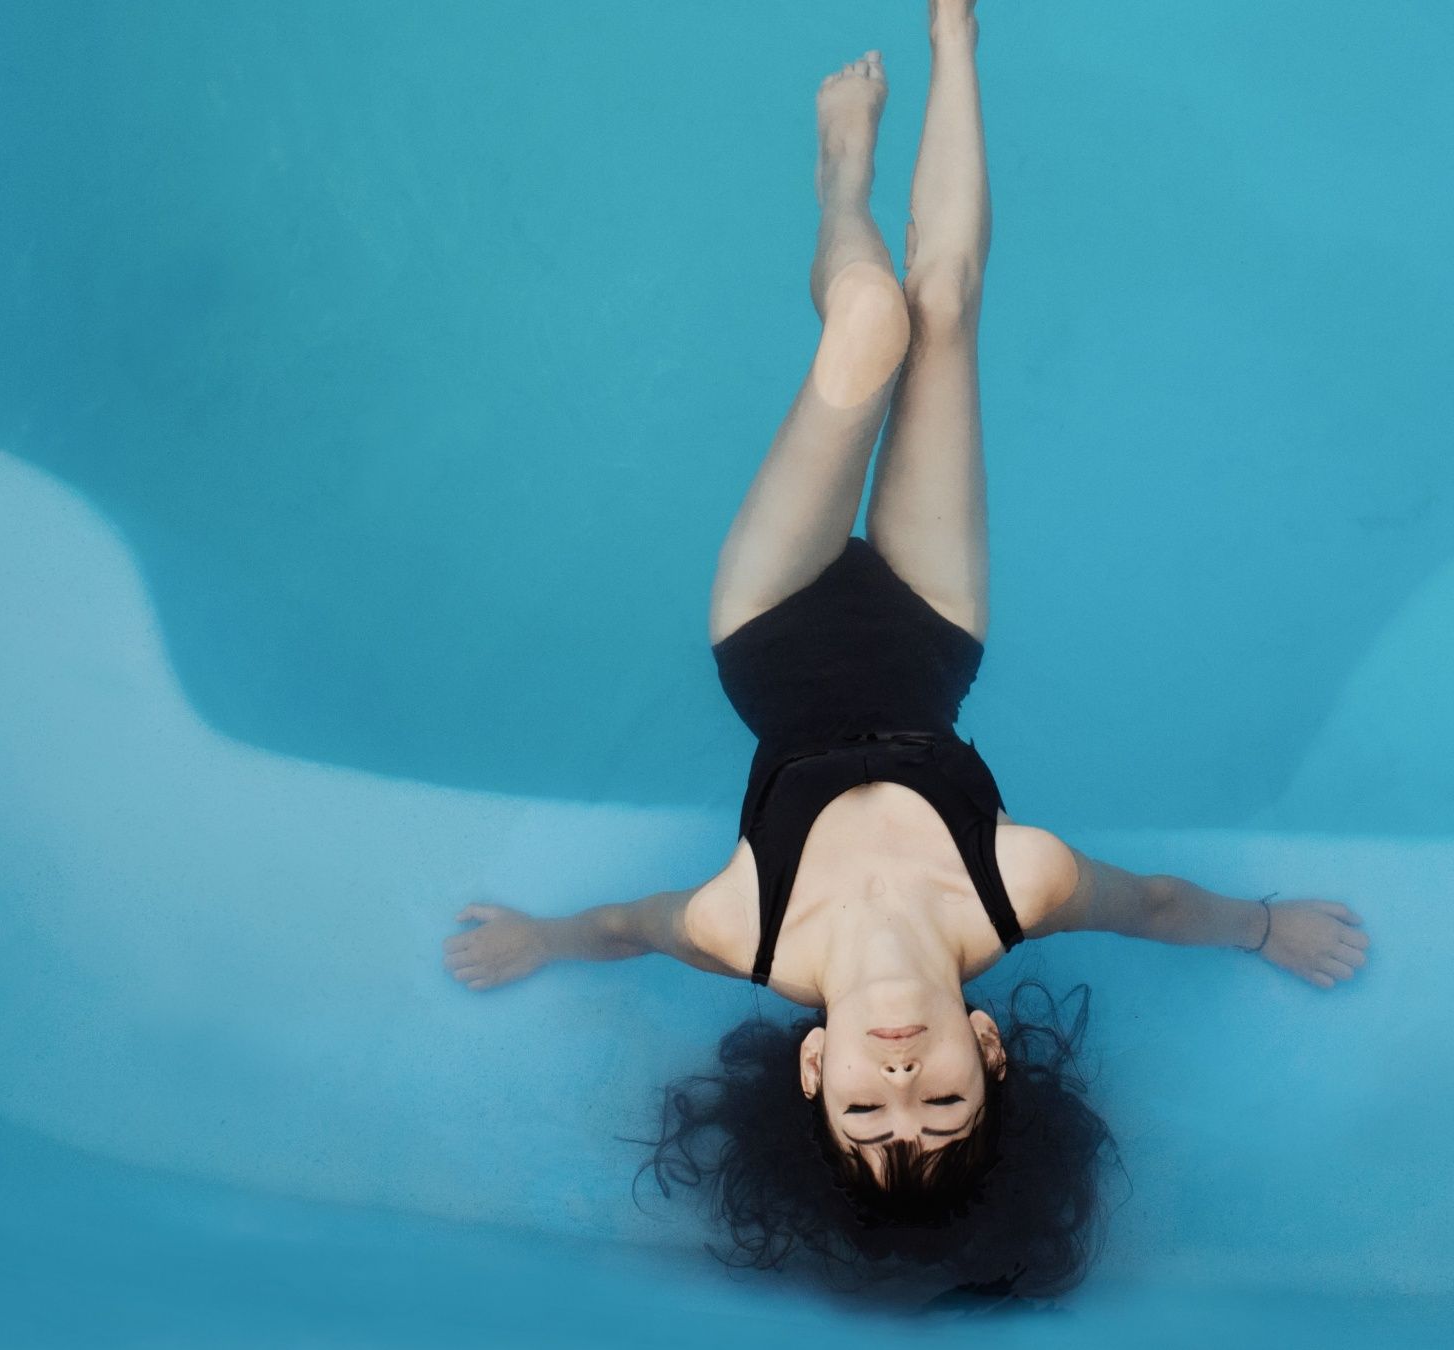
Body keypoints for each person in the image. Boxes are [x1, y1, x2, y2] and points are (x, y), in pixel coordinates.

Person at [445, 0, 1369, 1303]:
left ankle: (840, 180)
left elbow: (623, 925)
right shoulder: (1019, 887)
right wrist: (1268, 926)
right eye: (936, 1096)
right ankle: (954, 39)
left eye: (866, 1109)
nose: (896, 1077)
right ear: (986, 1047)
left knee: (870, 322)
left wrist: (538, 937)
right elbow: (1158, 903)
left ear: (813, 1072)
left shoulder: (747, 931)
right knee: (945, 301)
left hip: (772, 633)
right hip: (931, 641)